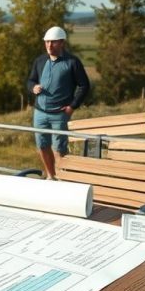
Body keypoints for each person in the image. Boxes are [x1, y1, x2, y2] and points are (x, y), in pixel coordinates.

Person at [26, 26, 91, 180]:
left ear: (62, 42)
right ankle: (51, 176)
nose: (49, 45)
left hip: (60, 114)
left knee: (60, 149)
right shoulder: (40, 61)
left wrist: (72, 106)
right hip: (40, 112)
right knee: (42, 145)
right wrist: (33, 87)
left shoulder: (72, 62)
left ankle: (62, 178)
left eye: (53, 42)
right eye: (47, 42)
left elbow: (84, 85)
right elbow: (30, 80)